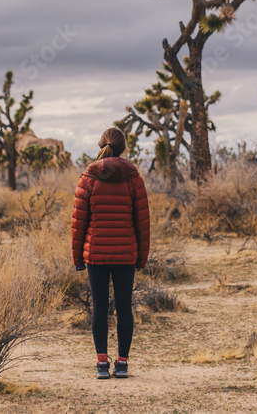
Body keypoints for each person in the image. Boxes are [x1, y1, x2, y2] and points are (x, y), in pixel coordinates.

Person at [71, 126, 150, 380]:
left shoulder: (88, 178)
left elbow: (79, 222)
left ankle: (102, 364)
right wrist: (141, 258)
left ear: (101, 144)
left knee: (99, 307)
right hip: (126, 254)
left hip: (96, 254)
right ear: (123, 147)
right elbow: (142, 223)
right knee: (125, 308)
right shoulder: (134, 179)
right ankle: (123, 364)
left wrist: (77, 258)